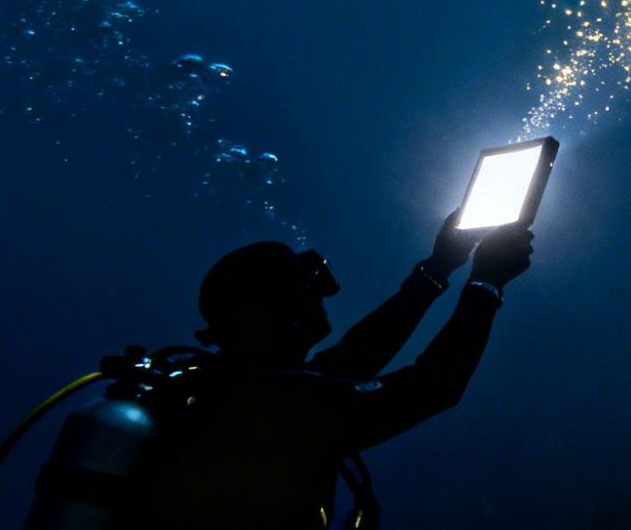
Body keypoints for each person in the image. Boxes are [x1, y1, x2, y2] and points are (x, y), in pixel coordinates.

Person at [119, 213, 534, 529]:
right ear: (280, 311)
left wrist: (438, 266)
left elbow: (353, 358)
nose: (324, 297)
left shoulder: (230, 388)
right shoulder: (277, 408)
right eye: (309, 289)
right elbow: (432, 386)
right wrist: (485, 283)